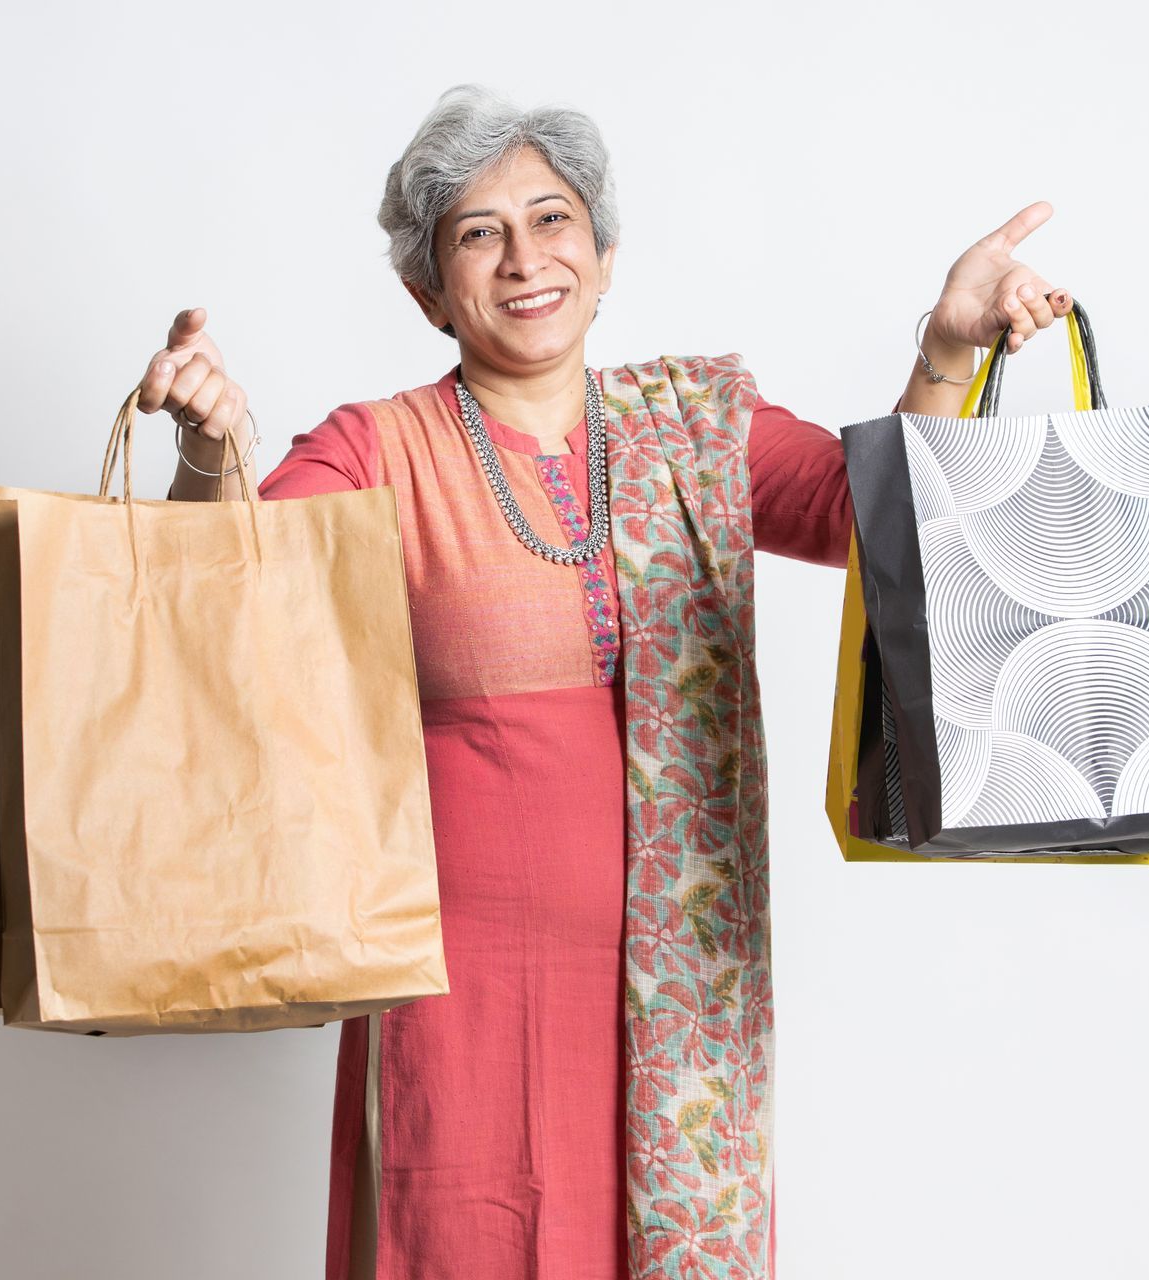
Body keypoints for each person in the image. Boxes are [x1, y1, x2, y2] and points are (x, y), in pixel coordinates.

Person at [137, 84, 1073, 1280]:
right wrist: (212, 445)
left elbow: (868, 518)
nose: (526, 258)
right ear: (428, 290)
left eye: (552, 219)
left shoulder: (698, 423)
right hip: (457, 1010)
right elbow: (234, 595)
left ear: (606, 252)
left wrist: (947, 348)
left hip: (687, 1012)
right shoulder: (381, 449)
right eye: (479, 233)